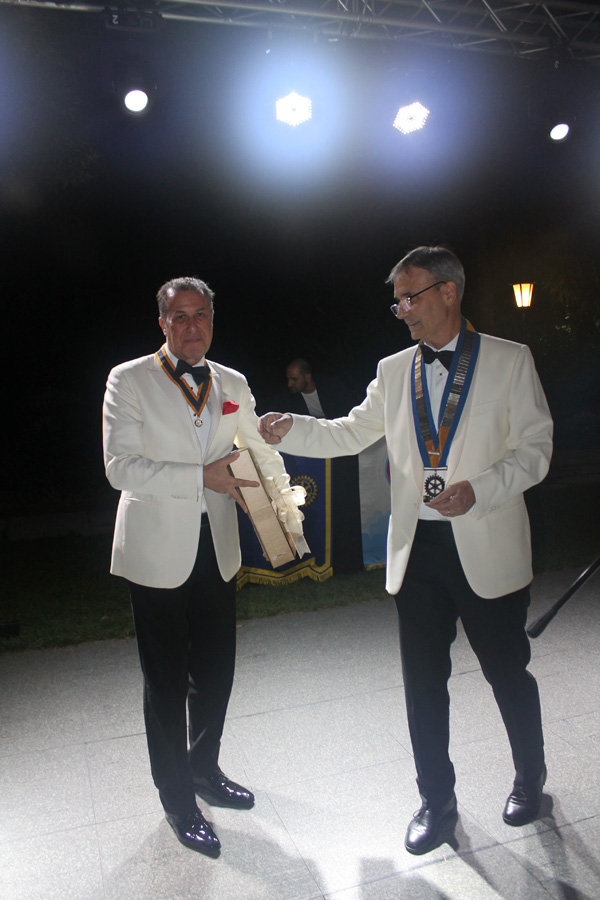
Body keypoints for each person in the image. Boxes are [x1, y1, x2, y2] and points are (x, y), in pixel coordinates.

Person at [258, 246, 553, 855]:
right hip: (416, 552)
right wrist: (293, 428)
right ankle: (435, 803)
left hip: (485, 540)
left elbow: (535, 450)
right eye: (397, 302)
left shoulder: (509, 359)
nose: (402, 311)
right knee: (422, 684)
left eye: (410, 298)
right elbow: (349, 431)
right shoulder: (393, 371)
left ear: (448, 291)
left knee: (507, 672)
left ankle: (530, 779)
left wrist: (481, 488)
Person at [103, 276, 290, 858]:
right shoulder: (128, 379)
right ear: (162, 323)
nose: (191, 326)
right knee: (164, 683)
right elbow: (119, 466)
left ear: (212, 319)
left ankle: (205, 769)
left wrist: (276, 500)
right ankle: (177, 797)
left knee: (215, 673)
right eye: (179, 316)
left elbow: (254, 451)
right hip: (156, 550)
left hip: (219, 546)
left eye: (200, 315)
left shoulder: (233, 382)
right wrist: (199, 476)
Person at [274, 358, 364, 574]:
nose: (290, 384)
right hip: (313, 461)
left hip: (342, 456)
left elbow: (351, 419)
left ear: (307, 377)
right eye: (288, 379)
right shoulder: (288, 398)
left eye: (294, 379)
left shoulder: (333, 387)